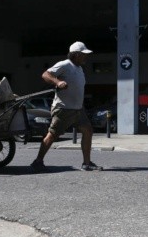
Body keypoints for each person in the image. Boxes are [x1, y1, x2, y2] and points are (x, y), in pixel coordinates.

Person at [31, 41, 102, 171]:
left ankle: (86, 163)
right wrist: (58, 82)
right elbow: (46, 74)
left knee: (88, 130)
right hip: (63, 109)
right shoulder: (65, 65)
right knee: (52, 135)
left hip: (78, 110)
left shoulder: (80, 69)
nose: (86, 56)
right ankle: (38, 161)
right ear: (75, 55)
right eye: (83, 54)